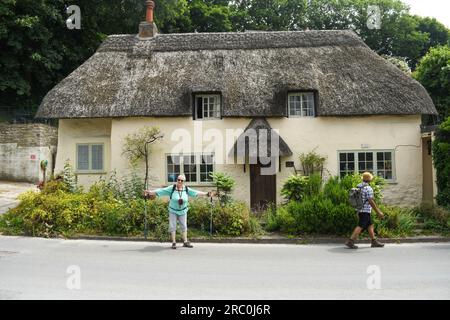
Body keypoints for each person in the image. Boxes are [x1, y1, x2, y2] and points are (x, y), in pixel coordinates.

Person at [144, 174, 213, 249]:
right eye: (178, 180)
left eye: (181, 180)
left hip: (183, 210)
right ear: (177, 180)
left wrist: (206, 194)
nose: (179, 181)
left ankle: (185, 242)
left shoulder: (186, 189)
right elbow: (161, 191)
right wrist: (150, 192)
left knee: (184, 226)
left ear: (184, 182)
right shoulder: (172, 188)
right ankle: (174, 242)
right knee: (172, 226)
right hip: (173, 210)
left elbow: (195, 192)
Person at [345, 172, 385, 249]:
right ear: (370, 180)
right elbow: (371, 201)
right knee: (360, 226)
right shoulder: (368, 188)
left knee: (370, 225)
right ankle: (350, 241)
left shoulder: (359, 186)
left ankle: (374, 241)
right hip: (365, 211)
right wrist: (378, 212)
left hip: (360, 210)